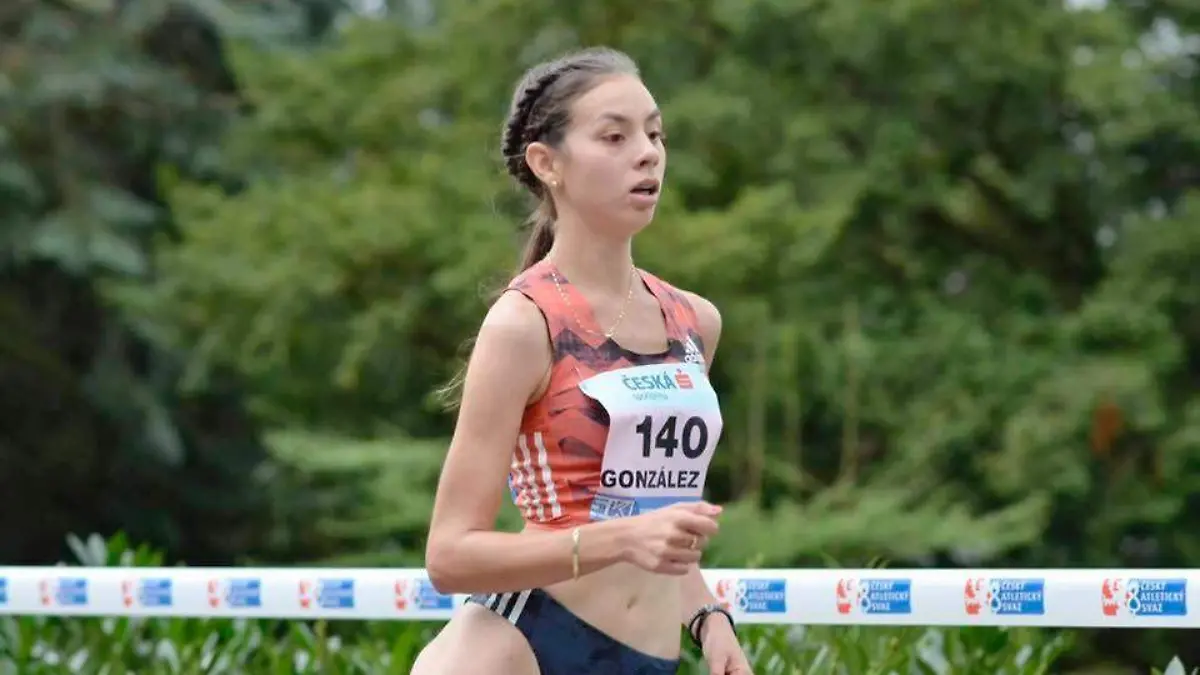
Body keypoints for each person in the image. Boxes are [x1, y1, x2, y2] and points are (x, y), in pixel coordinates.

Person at [411, 46, 753, 675]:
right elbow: (450, 556)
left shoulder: (695, 323)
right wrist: (623, 538)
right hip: (521, 648)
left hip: (650, 656)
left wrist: (707, 615)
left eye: (655, 134)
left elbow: (660, 512)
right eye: (615, 137)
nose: (647, 153)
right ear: (547, 164)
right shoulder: (523, 324)